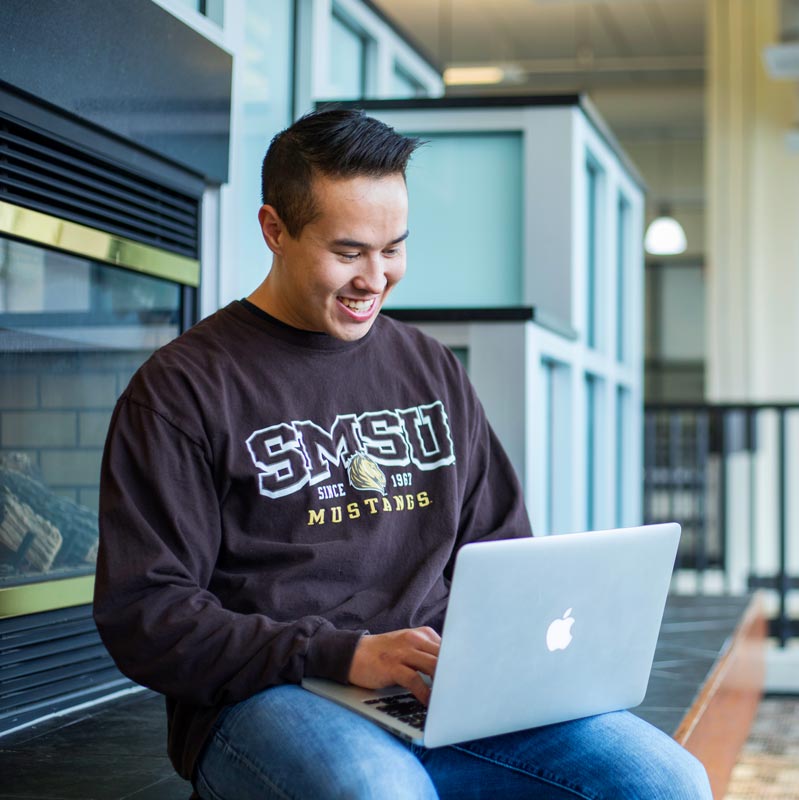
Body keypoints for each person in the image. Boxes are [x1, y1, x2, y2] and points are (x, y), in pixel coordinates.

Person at [93, 108, 712, 800]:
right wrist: (343, 654)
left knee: (665, 782)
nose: (375, 278)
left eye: (393, 249)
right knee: (380, 792)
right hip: (271, 696)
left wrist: (499, 662)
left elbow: (502, 549)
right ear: (274, 230)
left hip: (440, 693)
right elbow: (145, 613)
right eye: (349, 251)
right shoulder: (183, 389)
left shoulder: (430, 369)